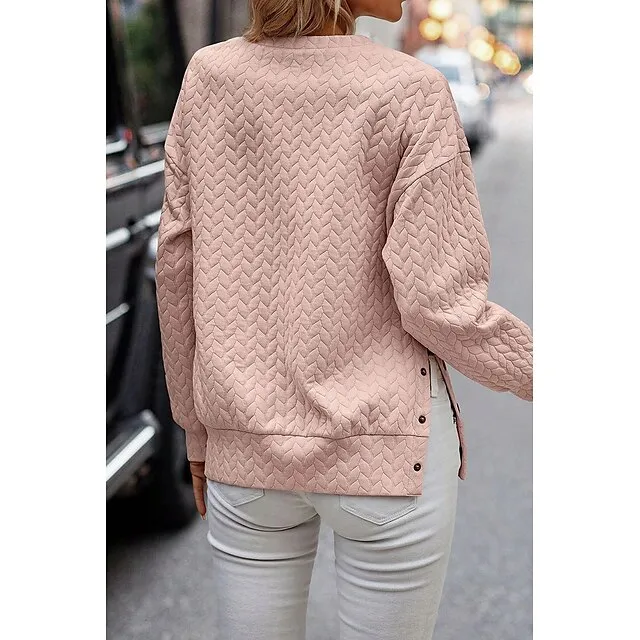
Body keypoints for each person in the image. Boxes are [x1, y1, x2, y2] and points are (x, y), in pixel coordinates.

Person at [155, 1, 533, 638]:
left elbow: (176, 267)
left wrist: (197, 431)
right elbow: (440, 304)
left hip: (245, 447)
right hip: (386, 450)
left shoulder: (209, 78)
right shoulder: (411, 91)